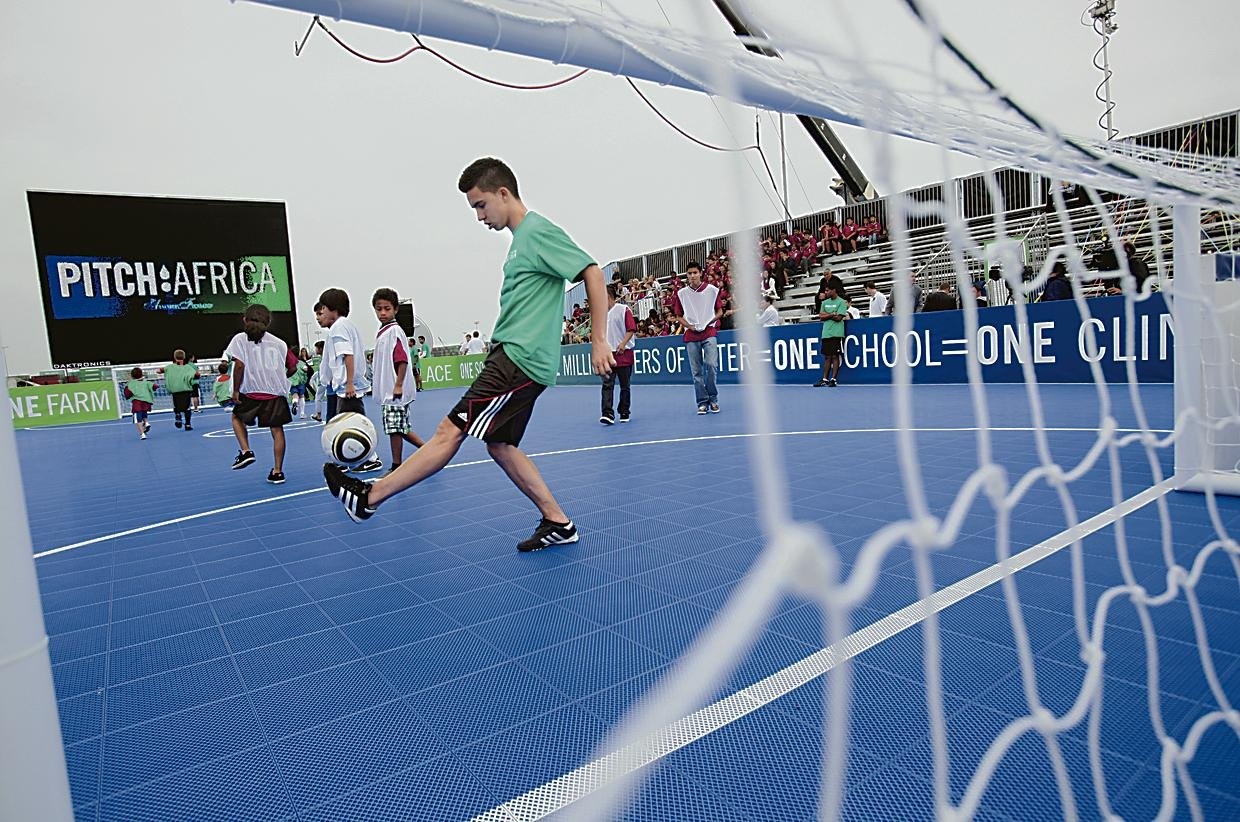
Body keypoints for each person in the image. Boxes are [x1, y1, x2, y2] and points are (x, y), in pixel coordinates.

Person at [324, 157, 613, 553]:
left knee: (450, 431)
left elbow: (593, 273)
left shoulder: (538, 231)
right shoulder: (522, 243)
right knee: (500, 445)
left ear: (503, 193)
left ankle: (368, 499)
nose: (479, 216)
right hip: (514, 358)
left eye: (480, 205)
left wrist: (598, 339)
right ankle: (558, 522)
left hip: (518, 361)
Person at [224, 304, 297, 483]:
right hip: (274, 393)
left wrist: (235, 391)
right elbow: (293, 367)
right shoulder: (279, 343)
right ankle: (278, 471)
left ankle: (246, 451)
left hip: (251, 392)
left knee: (236, 418)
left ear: (244, 320)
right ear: (268, 322)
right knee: (277, 430)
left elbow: (239, 366)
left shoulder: (240, 339)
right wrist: (280, 376)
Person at [316, 288, 382, 472]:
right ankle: (347, 459)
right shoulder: (345, 325)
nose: (321, 313)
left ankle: (370, 458)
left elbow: (347, 355)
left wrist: (349, 382)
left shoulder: (339, 327)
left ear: (333, 309)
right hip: (346, 385)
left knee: (353, 424)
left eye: (323, 309)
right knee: (351, 422)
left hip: (348, 386)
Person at [371, 288, 427, 472]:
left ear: (395, 309)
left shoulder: (394, 332)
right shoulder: (385, 331)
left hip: (394, 389)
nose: (383, 313)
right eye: (379, 309)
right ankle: (427, 451)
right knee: (399, 427)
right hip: (390, 388)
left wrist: (398, 384)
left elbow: (401, 360)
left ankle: (397, 464)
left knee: (396, 428)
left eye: (387, 308)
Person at [672, 261, 723, 415]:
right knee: (696, 371)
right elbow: (678, 316)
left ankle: (713, 399)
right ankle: (702, 402)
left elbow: (719, 311)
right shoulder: (681, 294)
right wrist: (690, 325)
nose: (692, 276)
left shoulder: (713, 290)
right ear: (686, 276)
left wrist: (709, 321)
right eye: (689, 273)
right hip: (691, 335)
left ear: (701, 273)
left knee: (711, 365)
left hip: (709, 332)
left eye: (695, 272)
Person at [600, 283, 636, 425]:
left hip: (623, 354)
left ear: (608, 296)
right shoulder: (600, 314)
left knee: (624, 385)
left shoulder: (623, 309)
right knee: (607, 385)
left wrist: (622, 343)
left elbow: (631, 328)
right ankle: (607, 413)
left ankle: (624, 411)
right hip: (608, 355)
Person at [814, 283, 848, 387]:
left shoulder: (842, 302)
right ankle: (824, 379)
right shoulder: (824, 303)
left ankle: (833, 379)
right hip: (826, 333)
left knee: (835, 356)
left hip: (837, 333)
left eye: (828, 290)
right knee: (827, 357)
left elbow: (839, 318)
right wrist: (832, 314)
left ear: (834, 290)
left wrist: (827, 315)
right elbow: (821, 317)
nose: (826, 292)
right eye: (825, 291)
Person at [163, 349, 198, 431]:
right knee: (187, 408)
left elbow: (160, 370)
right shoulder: (188, 367)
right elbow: (195, 374)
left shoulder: (169, 367)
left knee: (176, 406)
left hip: (175, 391)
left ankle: (178, 415)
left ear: (174, 357)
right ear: (184, 357)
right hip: (186, 390)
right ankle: (188, 424)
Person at [123, 367, 155, 440]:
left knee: (138, 419)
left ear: (132, 375)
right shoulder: (146, 382)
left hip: (136, 403)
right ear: (141, 374)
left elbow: (127, 394)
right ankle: (146, 423)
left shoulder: (130, 384)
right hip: (145, 402)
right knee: (144, 413)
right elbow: (155, 386)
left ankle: (142, 434)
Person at [288, 347, 310, 418]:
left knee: (294, 394)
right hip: (301, 381)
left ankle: (295, 402)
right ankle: (302, 413)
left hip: (292, 382)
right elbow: (306, 369)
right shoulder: (300, 363)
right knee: (301, 396)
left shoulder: (288, 364)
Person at [309, 340, 325, 421]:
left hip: (324, 381)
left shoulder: (324, 358)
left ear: (321, 349)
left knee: (318, 397)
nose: (315, 350)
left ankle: (318, 415)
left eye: (316, 348)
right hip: (326, 381)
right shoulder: (323, 358)